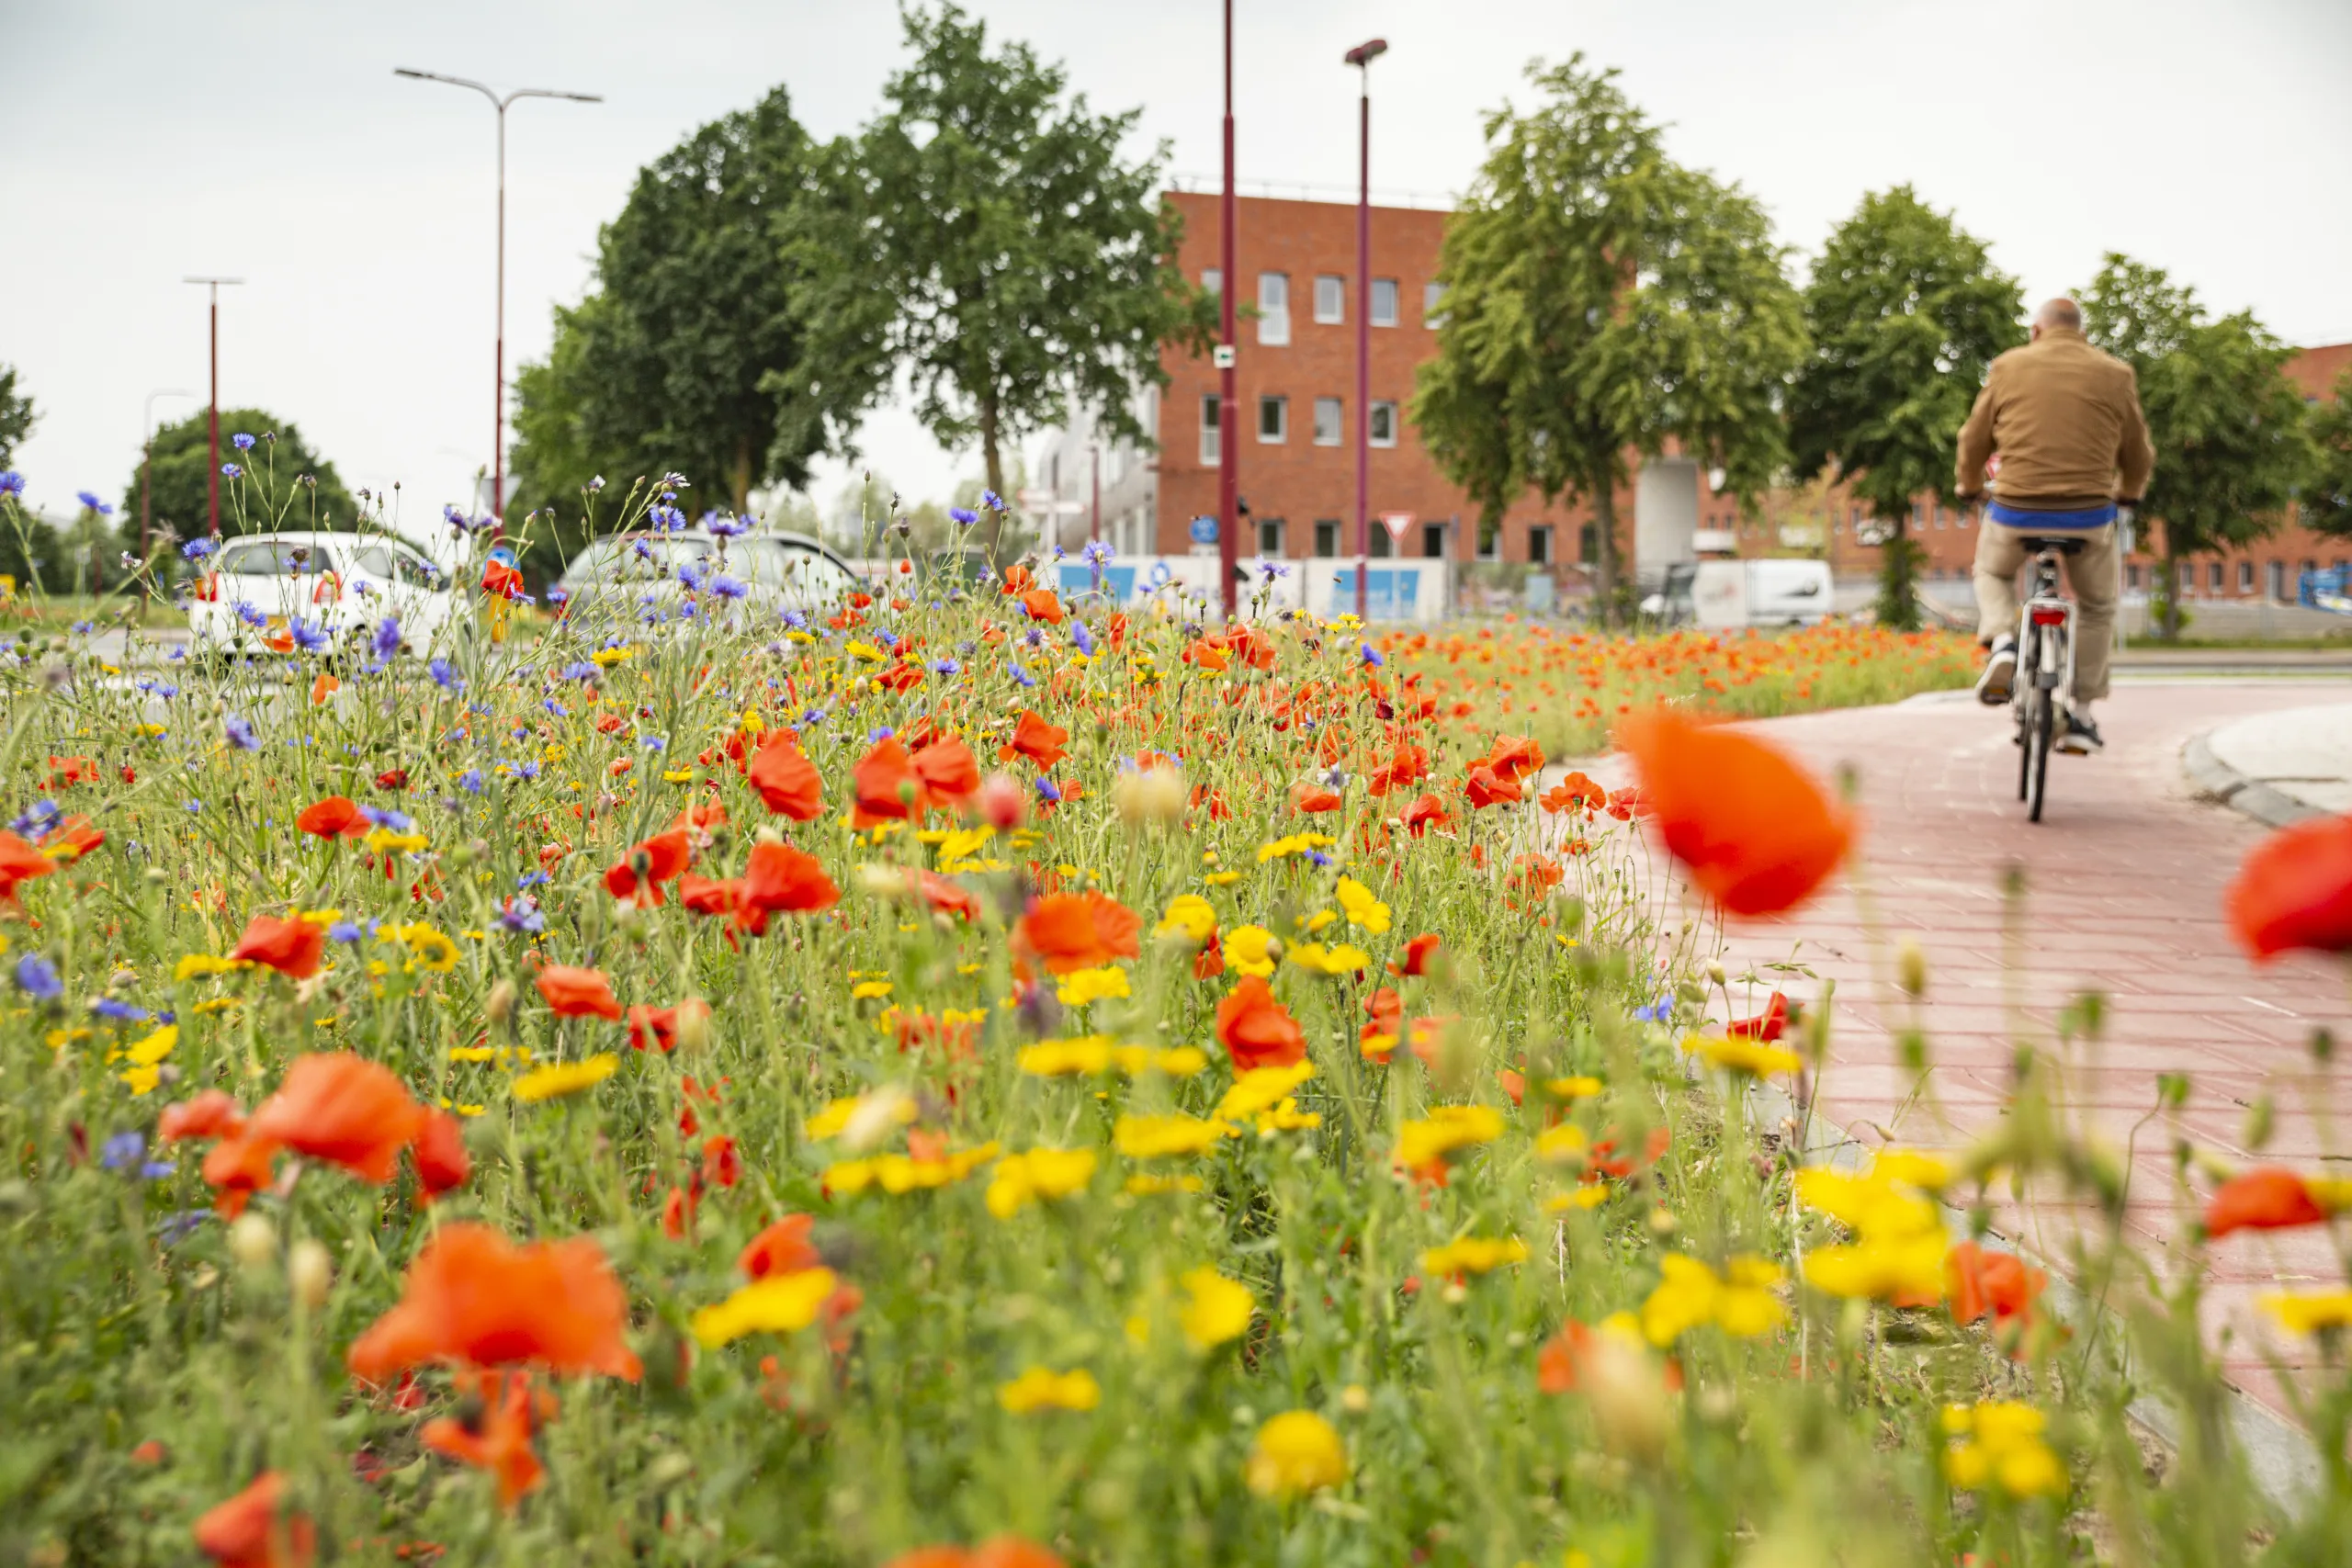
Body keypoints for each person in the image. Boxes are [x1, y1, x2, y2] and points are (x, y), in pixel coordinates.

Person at [1955, 298, 2154, 755]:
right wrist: (2129, 493)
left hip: (2015, 508)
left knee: (1992, 571)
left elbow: (1973, 439)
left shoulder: (2008, 366)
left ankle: (2004, 642)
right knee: (2098, 604)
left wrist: (1968, 486)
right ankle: (2082, 715)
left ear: (2035, 331)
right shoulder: (2116, 373)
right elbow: (2139, 452)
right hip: (2089, 514)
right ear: (2081, 334)